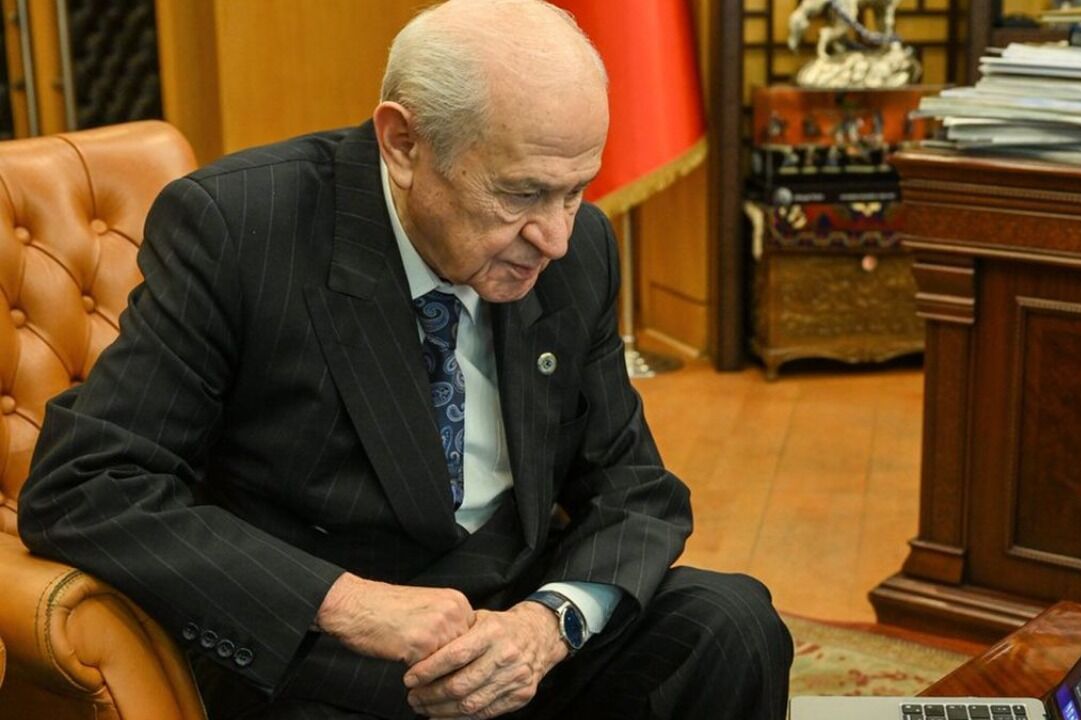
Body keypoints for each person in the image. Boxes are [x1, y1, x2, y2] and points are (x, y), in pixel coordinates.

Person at [16, 1, 793, 718]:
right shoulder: (242, 229)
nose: (555, 237)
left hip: (516, 632)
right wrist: (347, 603)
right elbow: (87, 485)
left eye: (575, 190)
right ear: (403, 144)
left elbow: (632, 485)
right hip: (337, 659)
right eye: (522, 194)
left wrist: (548, 623)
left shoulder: (576, 247)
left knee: (730, 624)